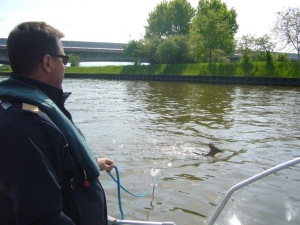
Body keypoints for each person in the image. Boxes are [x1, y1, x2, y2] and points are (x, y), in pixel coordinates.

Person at [0, 21, 114, 225]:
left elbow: (38, 170)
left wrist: (90, 164)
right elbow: (42, 217)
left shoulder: (21, 113)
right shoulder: (26, 125)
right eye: (63, 58)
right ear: (47, 62)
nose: (65, 65)